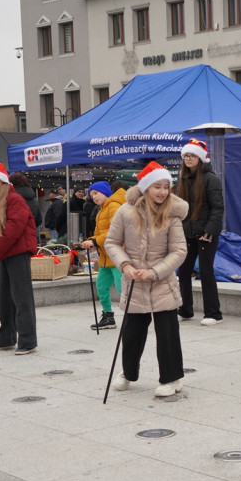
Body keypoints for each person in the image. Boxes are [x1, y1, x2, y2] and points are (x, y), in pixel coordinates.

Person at [105, 161, 188, 397]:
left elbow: (179, 251)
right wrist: (125, 265)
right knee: (132, 333)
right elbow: (112, 242)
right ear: (145, 187)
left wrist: (155, 271)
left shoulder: (172, 214)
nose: (162, 192)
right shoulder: (125, 211)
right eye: (157, 187)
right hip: (134, 282)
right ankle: (128, 372)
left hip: (161, 282)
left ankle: (172, 377)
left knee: (167, 333)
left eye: (166, 187)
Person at [0, 161, 38, 355]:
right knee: (4, 298)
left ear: (2, 178)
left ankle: (28, 340)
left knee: (22, 299)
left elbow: (14, 229)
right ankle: (6, 338)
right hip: (4, 252)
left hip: (18, 252)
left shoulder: (15, 199)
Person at [174, 138, 225, 326]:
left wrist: (210, 231)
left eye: (192, 155)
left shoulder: (210, 178)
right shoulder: (182, 178)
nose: (188, 159)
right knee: (184, 271)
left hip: (206, 233)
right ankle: (185, 309)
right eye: (186, 155)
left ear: (200, 158)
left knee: (206, 271)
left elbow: (217, 207)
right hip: (188, 233)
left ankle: (213, 313)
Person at [81, 180, 126, 330]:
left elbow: (115, 231)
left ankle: (132, 316)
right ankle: (108, 316)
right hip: (105, 257)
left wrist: (95, 241)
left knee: (122, 288)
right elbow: (98, 233)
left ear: (106, 192)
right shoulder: (101, 210)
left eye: (96, 193)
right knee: (101, 286)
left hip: (118, 255)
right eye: (91, 195)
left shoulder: (113, 206)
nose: (93, 197)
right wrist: (92, 241)